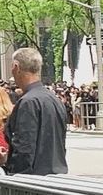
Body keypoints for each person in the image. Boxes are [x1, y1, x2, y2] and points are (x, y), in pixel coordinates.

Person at [5, 47, 69, 175]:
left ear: (16, 67)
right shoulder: (54, 99)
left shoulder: (27, 102)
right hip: (57, 177)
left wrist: (15, 175)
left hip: (34, 181)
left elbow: (25, 149)